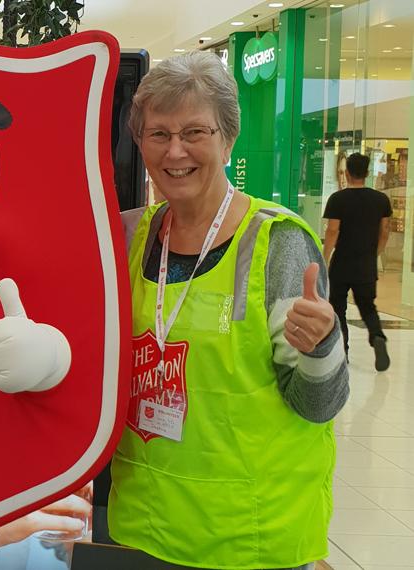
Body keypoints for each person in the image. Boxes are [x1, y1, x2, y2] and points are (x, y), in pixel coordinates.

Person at [109, 52, 349, 569]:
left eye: (195, 132)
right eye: (158, 134)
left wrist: (322, 347)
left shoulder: (277, 243)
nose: (176, 152)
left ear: (228, 139)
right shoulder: (127, 235)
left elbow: (319, 404)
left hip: (253, 534)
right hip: (147, 523)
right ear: (140, 142)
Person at [323, 151, 392, 371]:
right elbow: (385, 230)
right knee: (368, 307)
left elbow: (332, 231)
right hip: (366, 264)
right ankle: (377, 336)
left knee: (338, 308)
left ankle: (342, 349)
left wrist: (325, 258)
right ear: (367, 172)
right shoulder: (381, 200)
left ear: (347, 173)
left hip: (342, 263)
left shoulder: (338, 199)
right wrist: (376, 253)